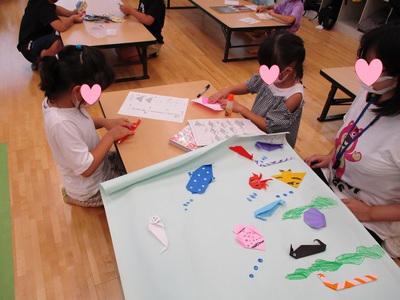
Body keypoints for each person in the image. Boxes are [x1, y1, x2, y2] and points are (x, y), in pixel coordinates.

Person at [305, 22, 400, 258]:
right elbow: (353, 132)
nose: (362, 72)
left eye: (373, 67)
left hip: (371, 217)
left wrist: (370, 212)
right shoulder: (371, 93)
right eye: (362, 62)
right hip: (334, 187)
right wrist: (331, 156)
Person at [39, 45, 135, 207]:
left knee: (133, 159)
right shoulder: (60, 124)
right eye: (96, 91)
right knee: (137, 183)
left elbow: (81, 123)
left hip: (99, 166)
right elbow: (86, 169)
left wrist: (106, 122)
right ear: (77, 91)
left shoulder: (63, 102)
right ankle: (76, 198)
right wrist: (110, 136)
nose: (97, 97)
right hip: (91, 189)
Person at [208, 30, 305, 148]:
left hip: (272, 145)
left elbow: (268, 126)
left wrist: (241, 109)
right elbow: (250, 86)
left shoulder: (294, 96)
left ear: (288, 71)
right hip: (254, 129)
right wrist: (228, 90)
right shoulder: (274, 76)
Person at [17, 0, 85, 70]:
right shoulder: (42, 6)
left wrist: (70, 13)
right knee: (56, 42)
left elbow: (56, 8)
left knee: (57, 40)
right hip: (29, 48)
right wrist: (72, 19)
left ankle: (44, 60)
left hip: (30, 43)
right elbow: (60, 27)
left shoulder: (42, 3)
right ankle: (45, 66)